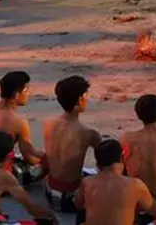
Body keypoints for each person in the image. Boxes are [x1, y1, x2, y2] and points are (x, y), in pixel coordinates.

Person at [75, 138, 156, 225]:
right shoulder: (136, 185)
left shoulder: (87, 182)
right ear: (122, 157)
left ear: (97, 164)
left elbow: (78, 204)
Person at [0, 71, 44, 185]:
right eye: (26, 90)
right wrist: (47, 157)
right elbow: (30, 159)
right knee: (49, 160)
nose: (29, 93)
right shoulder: (19, 122)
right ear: (16, 95)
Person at [43, 75, 101, 214]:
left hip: (50, 192)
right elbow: (105, 163)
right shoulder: (88, 133)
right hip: (70, 199)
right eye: (86, 95)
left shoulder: (48, 124)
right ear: (80, 99)